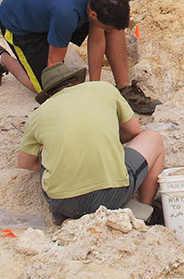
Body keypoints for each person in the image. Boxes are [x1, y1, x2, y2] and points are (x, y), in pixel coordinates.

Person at [0, 0, 160, 114]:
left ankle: (124, 88)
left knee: (114, 28)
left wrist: (94, 88)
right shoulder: (65, 15)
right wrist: (61, 88)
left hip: (46, 5)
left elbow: (97, 39)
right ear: (93, 15)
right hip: (20, 24)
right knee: (48, 88)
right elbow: (54, 64)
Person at [18, 62, 165, 224]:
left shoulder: (37, 116)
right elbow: (133, 131)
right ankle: (146, 209)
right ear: (78, 81)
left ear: (47, 95)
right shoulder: (104, 89)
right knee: (154, 138)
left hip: (64, 203)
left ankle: (65, 213)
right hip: (112, 196)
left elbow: (25, 163)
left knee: (42, 153)